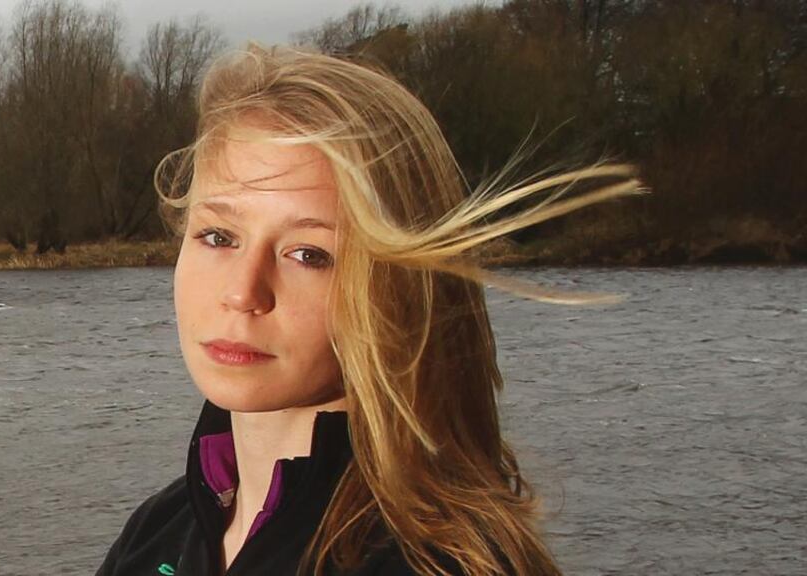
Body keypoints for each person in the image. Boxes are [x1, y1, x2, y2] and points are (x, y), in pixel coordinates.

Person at [95, 44, 643, 576]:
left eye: (309, 254)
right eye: (218, 236)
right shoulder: (157, 532)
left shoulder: (437, 563)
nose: (242, 292)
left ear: (398, 287)